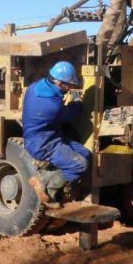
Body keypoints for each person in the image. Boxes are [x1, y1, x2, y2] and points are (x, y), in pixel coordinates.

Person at [22, 61, 91, 208]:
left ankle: (47, 185)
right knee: (80, 165)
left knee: (85, 154)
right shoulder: (51, 106)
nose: (71, 88)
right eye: (69, 85)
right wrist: (77, 101)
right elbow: (71, 115)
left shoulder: (36, 86)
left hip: (50, 135)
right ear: (59, 83)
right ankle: (47, 186)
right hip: (43, 143)